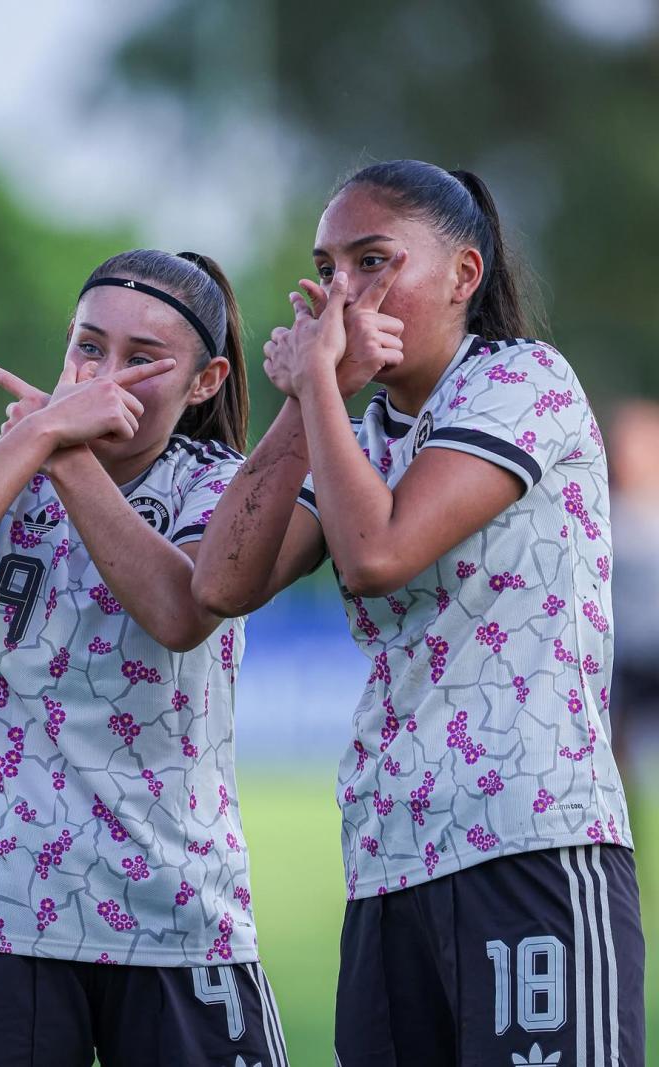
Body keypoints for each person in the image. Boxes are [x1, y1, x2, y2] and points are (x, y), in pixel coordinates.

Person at [192, 161, 645, 1065]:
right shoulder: (359, 434)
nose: (343, 294)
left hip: (530, 840)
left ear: (464, 276)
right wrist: (306, 402)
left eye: (373, 262)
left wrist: (319, 382)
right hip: (388, 852)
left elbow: (379, 554)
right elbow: (221, 582)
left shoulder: (526, 385)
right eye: (329, 270)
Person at [0, 249, 290, 1067]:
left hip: (176, 914)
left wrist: (63, 453)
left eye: (142, 360)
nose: (103, 375)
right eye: (89, 347)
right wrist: (38, 439)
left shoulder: (222, 486)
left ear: (204, 382)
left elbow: (180, 611)